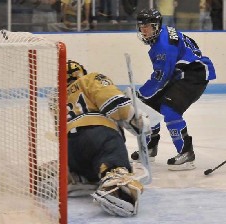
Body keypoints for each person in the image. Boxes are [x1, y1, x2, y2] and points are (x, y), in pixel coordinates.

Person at [44, 60, 147, 217]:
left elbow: (59, 131)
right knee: (112, 158)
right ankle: (117, 186)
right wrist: (136, 118)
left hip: (69, 149)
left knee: (91, 165)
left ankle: (79, 177)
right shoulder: (89, 79)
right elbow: (115, 104)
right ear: (81, 72)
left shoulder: (57, 99)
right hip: (97, 135)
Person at [134, 8, 216, 171]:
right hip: (182, 72)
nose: (144, 31)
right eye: (141, 27)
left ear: (156, 26)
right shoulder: (164, 34)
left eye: (147, 27)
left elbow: (161, 77)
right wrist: (144, 98)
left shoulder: (164, 46)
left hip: (194, 75)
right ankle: (150, 147)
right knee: (149, 105)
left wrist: (139, 94)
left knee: (169, 109)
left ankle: (186, 153)